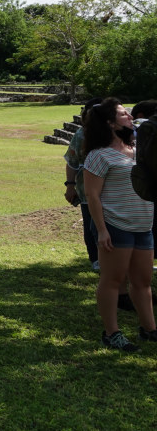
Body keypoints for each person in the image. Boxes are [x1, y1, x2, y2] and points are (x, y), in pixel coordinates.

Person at [83, 97, 157, 352]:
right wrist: (102, 230)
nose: (129, 116)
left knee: (143, 281)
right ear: (110, 123)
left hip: (143, 226)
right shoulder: (99, 155)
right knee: (113, 281)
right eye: (123, 113)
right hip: (116, 226)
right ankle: (111, 333)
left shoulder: (138, 149)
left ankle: (149, 329)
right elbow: (92, 196)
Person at [65, 98, 102, 271]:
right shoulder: (81, 135)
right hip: (86, 188)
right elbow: (72, 162)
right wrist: (70, 186)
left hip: (111, 190)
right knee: (91, 224)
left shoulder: (116, 132)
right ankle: (96, 259)